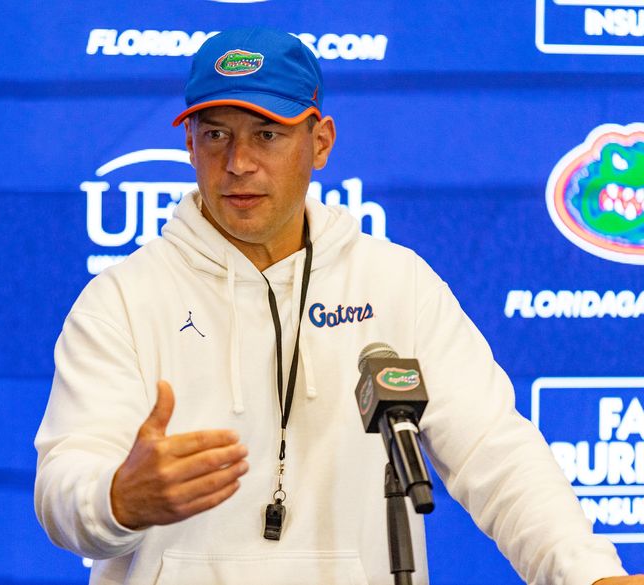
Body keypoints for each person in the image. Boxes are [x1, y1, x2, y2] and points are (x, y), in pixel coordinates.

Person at [34, 27, 641, 585]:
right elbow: (64, 486)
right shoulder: (122, 299)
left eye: (266, 134)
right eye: (216, 133)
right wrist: (116, 499)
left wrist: (589, 575)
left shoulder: (395, 284)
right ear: (189, 144)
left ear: (319, 142)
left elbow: (496, 452)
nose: (238, 162)